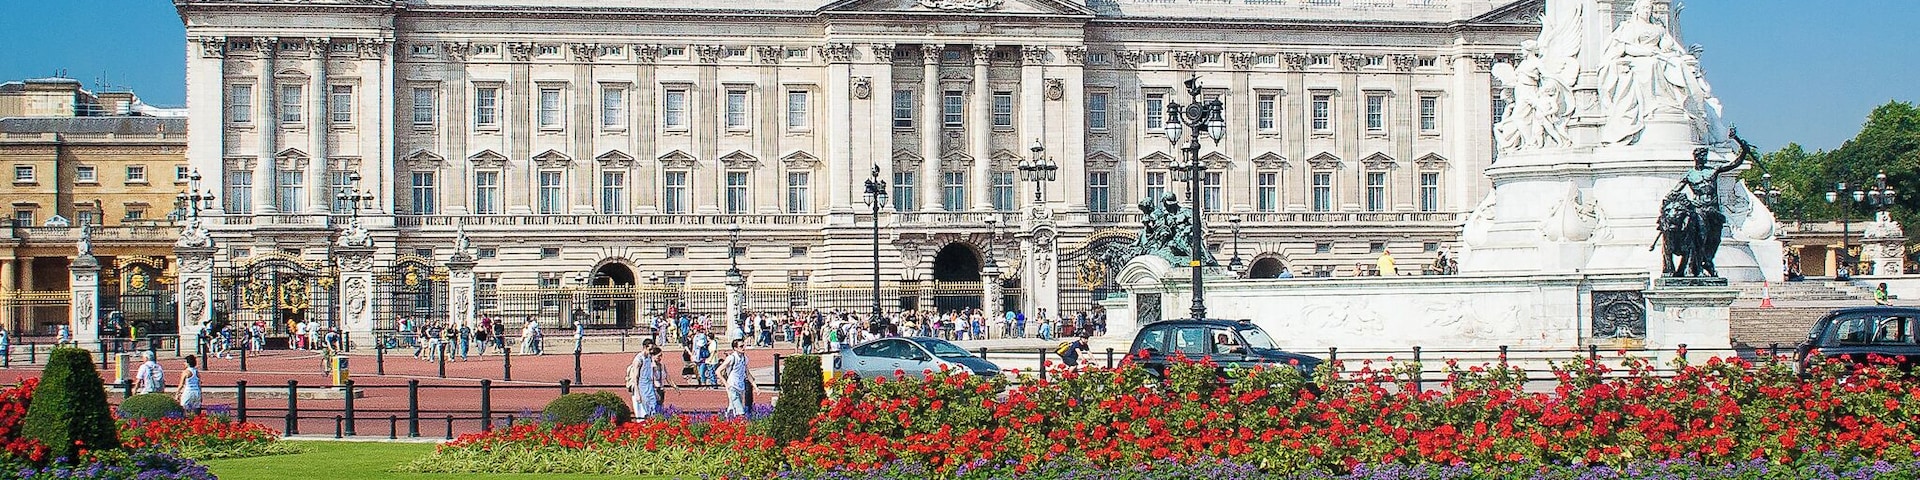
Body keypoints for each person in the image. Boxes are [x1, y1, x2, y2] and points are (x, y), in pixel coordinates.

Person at [717, 339, 754, 418]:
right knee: (740, 411)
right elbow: (718, 371)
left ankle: (727, 422)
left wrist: (755, 386)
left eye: (744, 346)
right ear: (735, 348)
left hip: (740, 386)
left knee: (732, 408)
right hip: (732, 386)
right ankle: (742, 426)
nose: (743, 348)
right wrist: (726, 384)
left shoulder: (745, 359)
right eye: (741, 346)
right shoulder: (731, 358)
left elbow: (747, 373)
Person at [627, 341, 664, 419]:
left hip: (649, 387)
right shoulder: (638, 359)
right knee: (642, 414)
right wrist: (637, 393)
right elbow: (635, 377)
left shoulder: (650, 357)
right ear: (645, 347)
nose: (651, 352)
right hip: (641, 388)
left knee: (653, 410)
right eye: (650, 349)